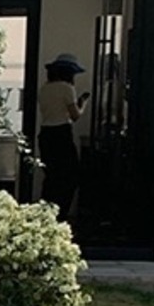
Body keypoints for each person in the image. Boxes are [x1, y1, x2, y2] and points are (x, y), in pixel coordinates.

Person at [38, 52, 90, 220]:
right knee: (70, 177)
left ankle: (45, 214)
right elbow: (75, 116)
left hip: (45, 134)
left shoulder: (44, 88)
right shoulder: (67, 88)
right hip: (61, 133)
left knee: (51, 177)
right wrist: (83, 103)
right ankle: (61, 215)